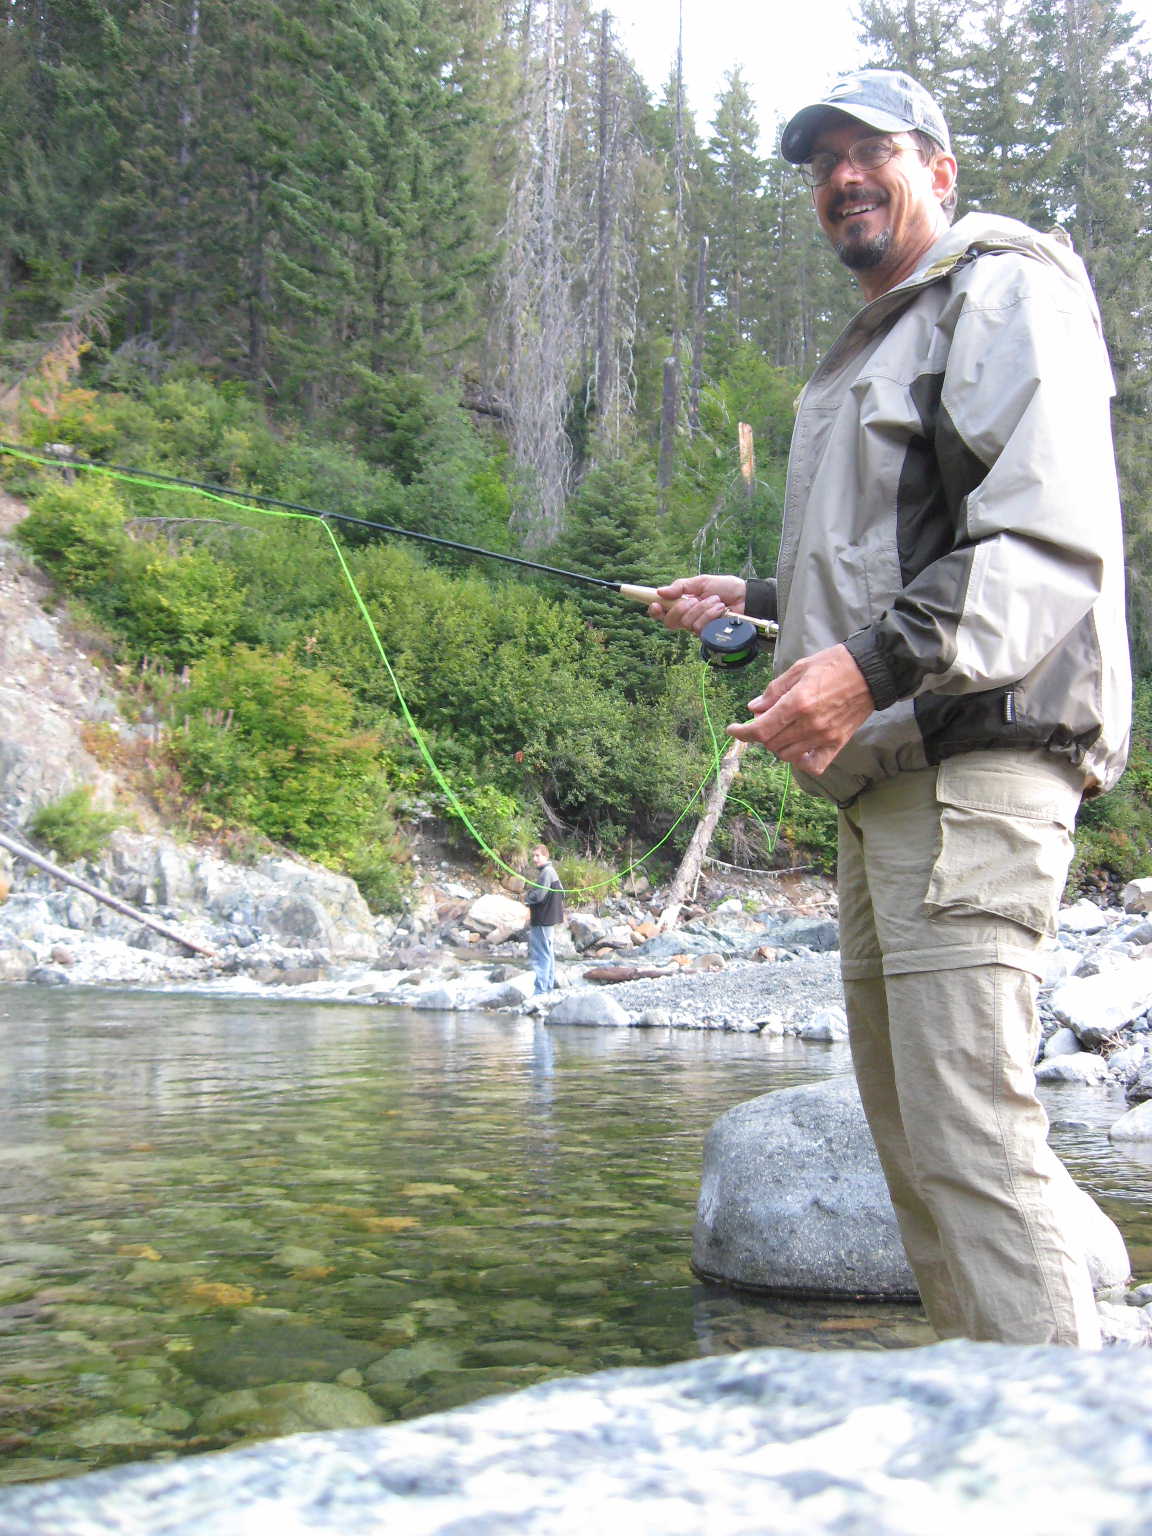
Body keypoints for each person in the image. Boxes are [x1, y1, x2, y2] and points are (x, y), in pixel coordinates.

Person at [650, 69, 1131, 1347]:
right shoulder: (892, 330)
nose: (844, 179)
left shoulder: (1006, 288)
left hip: (978, 766)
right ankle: (989, 1434)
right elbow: (896, 559)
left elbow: (1042, 542)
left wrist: (861, 668)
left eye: (874, 152)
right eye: (822, 164)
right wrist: (752, 599)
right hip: (894, 780)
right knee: (915, 1144)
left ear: (941, 172)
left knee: (971, 1140)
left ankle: (1064, 1462)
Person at [524, 843, 564, 994]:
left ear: (546, 856)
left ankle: (540, 991)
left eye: (537, 856)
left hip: (542, 920)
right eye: (533, 856)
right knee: (548, 953)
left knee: (541, 955)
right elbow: (561, 893)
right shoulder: (551, 871)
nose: (534, 859)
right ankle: (548, 988)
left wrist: (527, 898)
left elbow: (540, 895)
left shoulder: (546, 872)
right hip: (548, 920)